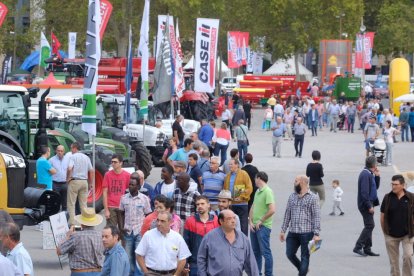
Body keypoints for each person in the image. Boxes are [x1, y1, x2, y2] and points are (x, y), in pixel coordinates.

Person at [280, 175, 321, 276]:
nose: (294, 183)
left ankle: (302, 272)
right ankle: (303, 269)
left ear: (303, 182)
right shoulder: (292, 196)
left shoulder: (313, 197)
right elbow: (287, 214)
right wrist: (283, 230)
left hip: (306, 233)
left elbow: (316, 216)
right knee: (289, 253)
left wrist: (316, 234)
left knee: (305, 257)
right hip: (293, 232)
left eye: (296, 181)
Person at [197, 209, 259, 276]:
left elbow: (251, 262)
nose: (233, 221)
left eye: (234, 218)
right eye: (229, 218)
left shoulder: (243, 238)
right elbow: (201, 259)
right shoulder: (209, 237)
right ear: (221, 221)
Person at [136, 212, 191, 276]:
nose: (159, 223)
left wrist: (176, 275)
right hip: (151, 273)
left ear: (170, 222)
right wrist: (146, 272)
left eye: (162, 221)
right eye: (158, 220)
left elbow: (183, 258)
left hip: (170, 273)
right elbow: (139, 255)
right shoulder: (148, 235)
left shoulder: (177, 237)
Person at [119, 172, 152, 276]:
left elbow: (148, 215)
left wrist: (147, 230)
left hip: (140, 232)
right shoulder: (123, 198)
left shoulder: (144, 199)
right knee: (128, 257)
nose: (130, 186)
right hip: (128, 231)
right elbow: (120, 213)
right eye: (129, 184)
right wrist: (121, 228)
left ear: (138, 186)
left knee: (139, 256)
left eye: (133, 185)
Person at [381, 174, 414, 276]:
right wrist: (385, 233)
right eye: (392, 184)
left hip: (407, 235)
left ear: (403, 185)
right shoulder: (387, 198)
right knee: (394, 262)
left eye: (396, 184)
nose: (393, 186)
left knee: (408, 256)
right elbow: (382, 216)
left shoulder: (411, 198)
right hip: (391, 235)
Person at [57, 208, 104, 275]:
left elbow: (59, 251)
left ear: (82, 223)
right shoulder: (101, 236)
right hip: (97, 272)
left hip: (79, 273)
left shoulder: (76, 236)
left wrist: (67, 236)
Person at [183, 196, 219, 275]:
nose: (199, 206)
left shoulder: (216, 220)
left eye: (202, 203)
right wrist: (186, 263)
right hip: (195, 263)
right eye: (198, 204)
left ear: (208, 205)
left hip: (213, 262)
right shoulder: (190, 221)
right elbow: (185, 244)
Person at [249, 172, 275, 276]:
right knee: (256, 252)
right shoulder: (258, 191)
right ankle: (257, 273)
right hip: (254, 226)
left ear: (259, 178)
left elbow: (272, 210)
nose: (255, 181)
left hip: (263, 227)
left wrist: (261, 220)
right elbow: (253, 207)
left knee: (265, 252)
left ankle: (268, 274)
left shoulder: (267, 191)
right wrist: (250, 221)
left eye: (255, 178)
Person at [354, 155, 381, 257]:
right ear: (374, 165)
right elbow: (364, 192)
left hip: (369, 202)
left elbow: (375, 187)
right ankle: (358, 246)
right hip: (365, 204)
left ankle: (367, 248)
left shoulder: (370, 173)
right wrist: (369, 206)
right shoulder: (365, 175)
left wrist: (377, 176)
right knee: (370, 225)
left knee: (369, 225)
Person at [66, 142, 94, 226]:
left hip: (75, 180)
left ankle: (72, 223)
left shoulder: (73, 157)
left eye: (71, 148)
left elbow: (70, 168)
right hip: (84, 181)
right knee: (83, 204)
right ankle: (84, 223)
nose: (71, 150)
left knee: (71, 203)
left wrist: (68, 177)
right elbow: (91, 170)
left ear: (75, 148)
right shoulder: (86, 157)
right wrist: (91, 183)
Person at [224, 159, 253, 236]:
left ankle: (244, 243)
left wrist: (242, 197)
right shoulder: (227, 176)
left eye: (231, 164)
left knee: (243, 226)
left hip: (242, 204)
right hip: (232, 205)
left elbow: (249, 188)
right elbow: (225, 189)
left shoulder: (244, 174)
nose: (229, 166)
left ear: (237, 165)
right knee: (232, 226)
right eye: (229, 164)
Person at [103, 154, 130, 227]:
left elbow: (129, 192)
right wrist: (106, 210)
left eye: (115, 162)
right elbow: (104, 192)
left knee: (123, 230)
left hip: (123, 206)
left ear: (121, 163)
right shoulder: (107, 175)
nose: (113, 164)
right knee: (111, 230)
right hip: (111, 206)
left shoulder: (127, 175)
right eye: (112, 162)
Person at [49, 145, 70, 211]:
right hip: (55, 184)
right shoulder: (51, 160)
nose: (60, 152)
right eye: (58, 151)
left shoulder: (67, 160)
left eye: (61, 151)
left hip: (64, 184)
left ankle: (64, 218)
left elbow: (70, 169)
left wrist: (68, 179)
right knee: (55, 201)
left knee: (65, 202)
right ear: (56, 151)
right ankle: (55, 217)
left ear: (64, 152)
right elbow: (48, 171)